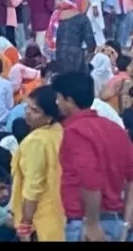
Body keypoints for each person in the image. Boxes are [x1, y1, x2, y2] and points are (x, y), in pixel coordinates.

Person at [52, 70, 133, 241]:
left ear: (69, 101)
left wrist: (92, 223)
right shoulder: (115, 129)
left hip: (86, 225)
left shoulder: (75, 131)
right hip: (114, 221)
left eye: (59, 98)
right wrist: (126, 222)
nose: (56, 102)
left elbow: (90, 179)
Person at [10, 85, 65, 242]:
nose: (28, 112)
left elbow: (32, 186)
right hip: (58, 215)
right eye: (28, 107)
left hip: (39, 221)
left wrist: (25, 224)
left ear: (49, 117)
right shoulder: (59, 132)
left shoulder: (36, 140)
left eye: (35, 111)